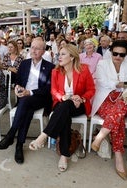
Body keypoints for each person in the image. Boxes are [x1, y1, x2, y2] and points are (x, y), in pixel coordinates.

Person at [28, 44, 95, 172]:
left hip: (78, 104)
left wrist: (81, 98)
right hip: (62, 103)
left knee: (66, 108)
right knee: (65, 112)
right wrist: (62, 97)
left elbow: (91, 89)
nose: (59, 57)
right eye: (59, 54)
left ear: (72, 57)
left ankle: (44, 135)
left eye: (63, 54)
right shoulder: (56, 71)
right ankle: (64, 155)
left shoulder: (84, 69)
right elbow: (53, 91)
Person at [0, 38, 55, 164]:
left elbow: (48, 89)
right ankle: (19, 145)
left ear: (43, 51)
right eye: (32, 47)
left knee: (25, 101)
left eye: (37, 48)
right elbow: (18, 81)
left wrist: (30, 92)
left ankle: (11, 135)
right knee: (27, 109)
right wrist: (17, 88)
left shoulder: (50, 67)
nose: (34, 50)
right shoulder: (25, 63)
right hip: (25, 98)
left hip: (40, 98)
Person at [91, 40, 127, 180]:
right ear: (111, 52)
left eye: (121, 55)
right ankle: (118, 157)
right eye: (115, 53)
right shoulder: (102, 64)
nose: (118, 57)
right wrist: (123, 83)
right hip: (106, 99)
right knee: (119, 116)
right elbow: (102, 82)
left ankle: (99, 137)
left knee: (121, 106)